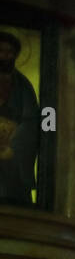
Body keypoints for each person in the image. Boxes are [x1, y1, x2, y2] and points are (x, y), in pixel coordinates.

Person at [0, 30, 40, 207]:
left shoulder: (23, 86)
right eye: (0, 51)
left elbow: (34, 121)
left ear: (15, 55)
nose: (4, 56)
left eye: (9, 52)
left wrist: (13, 139)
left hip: (13, 147)